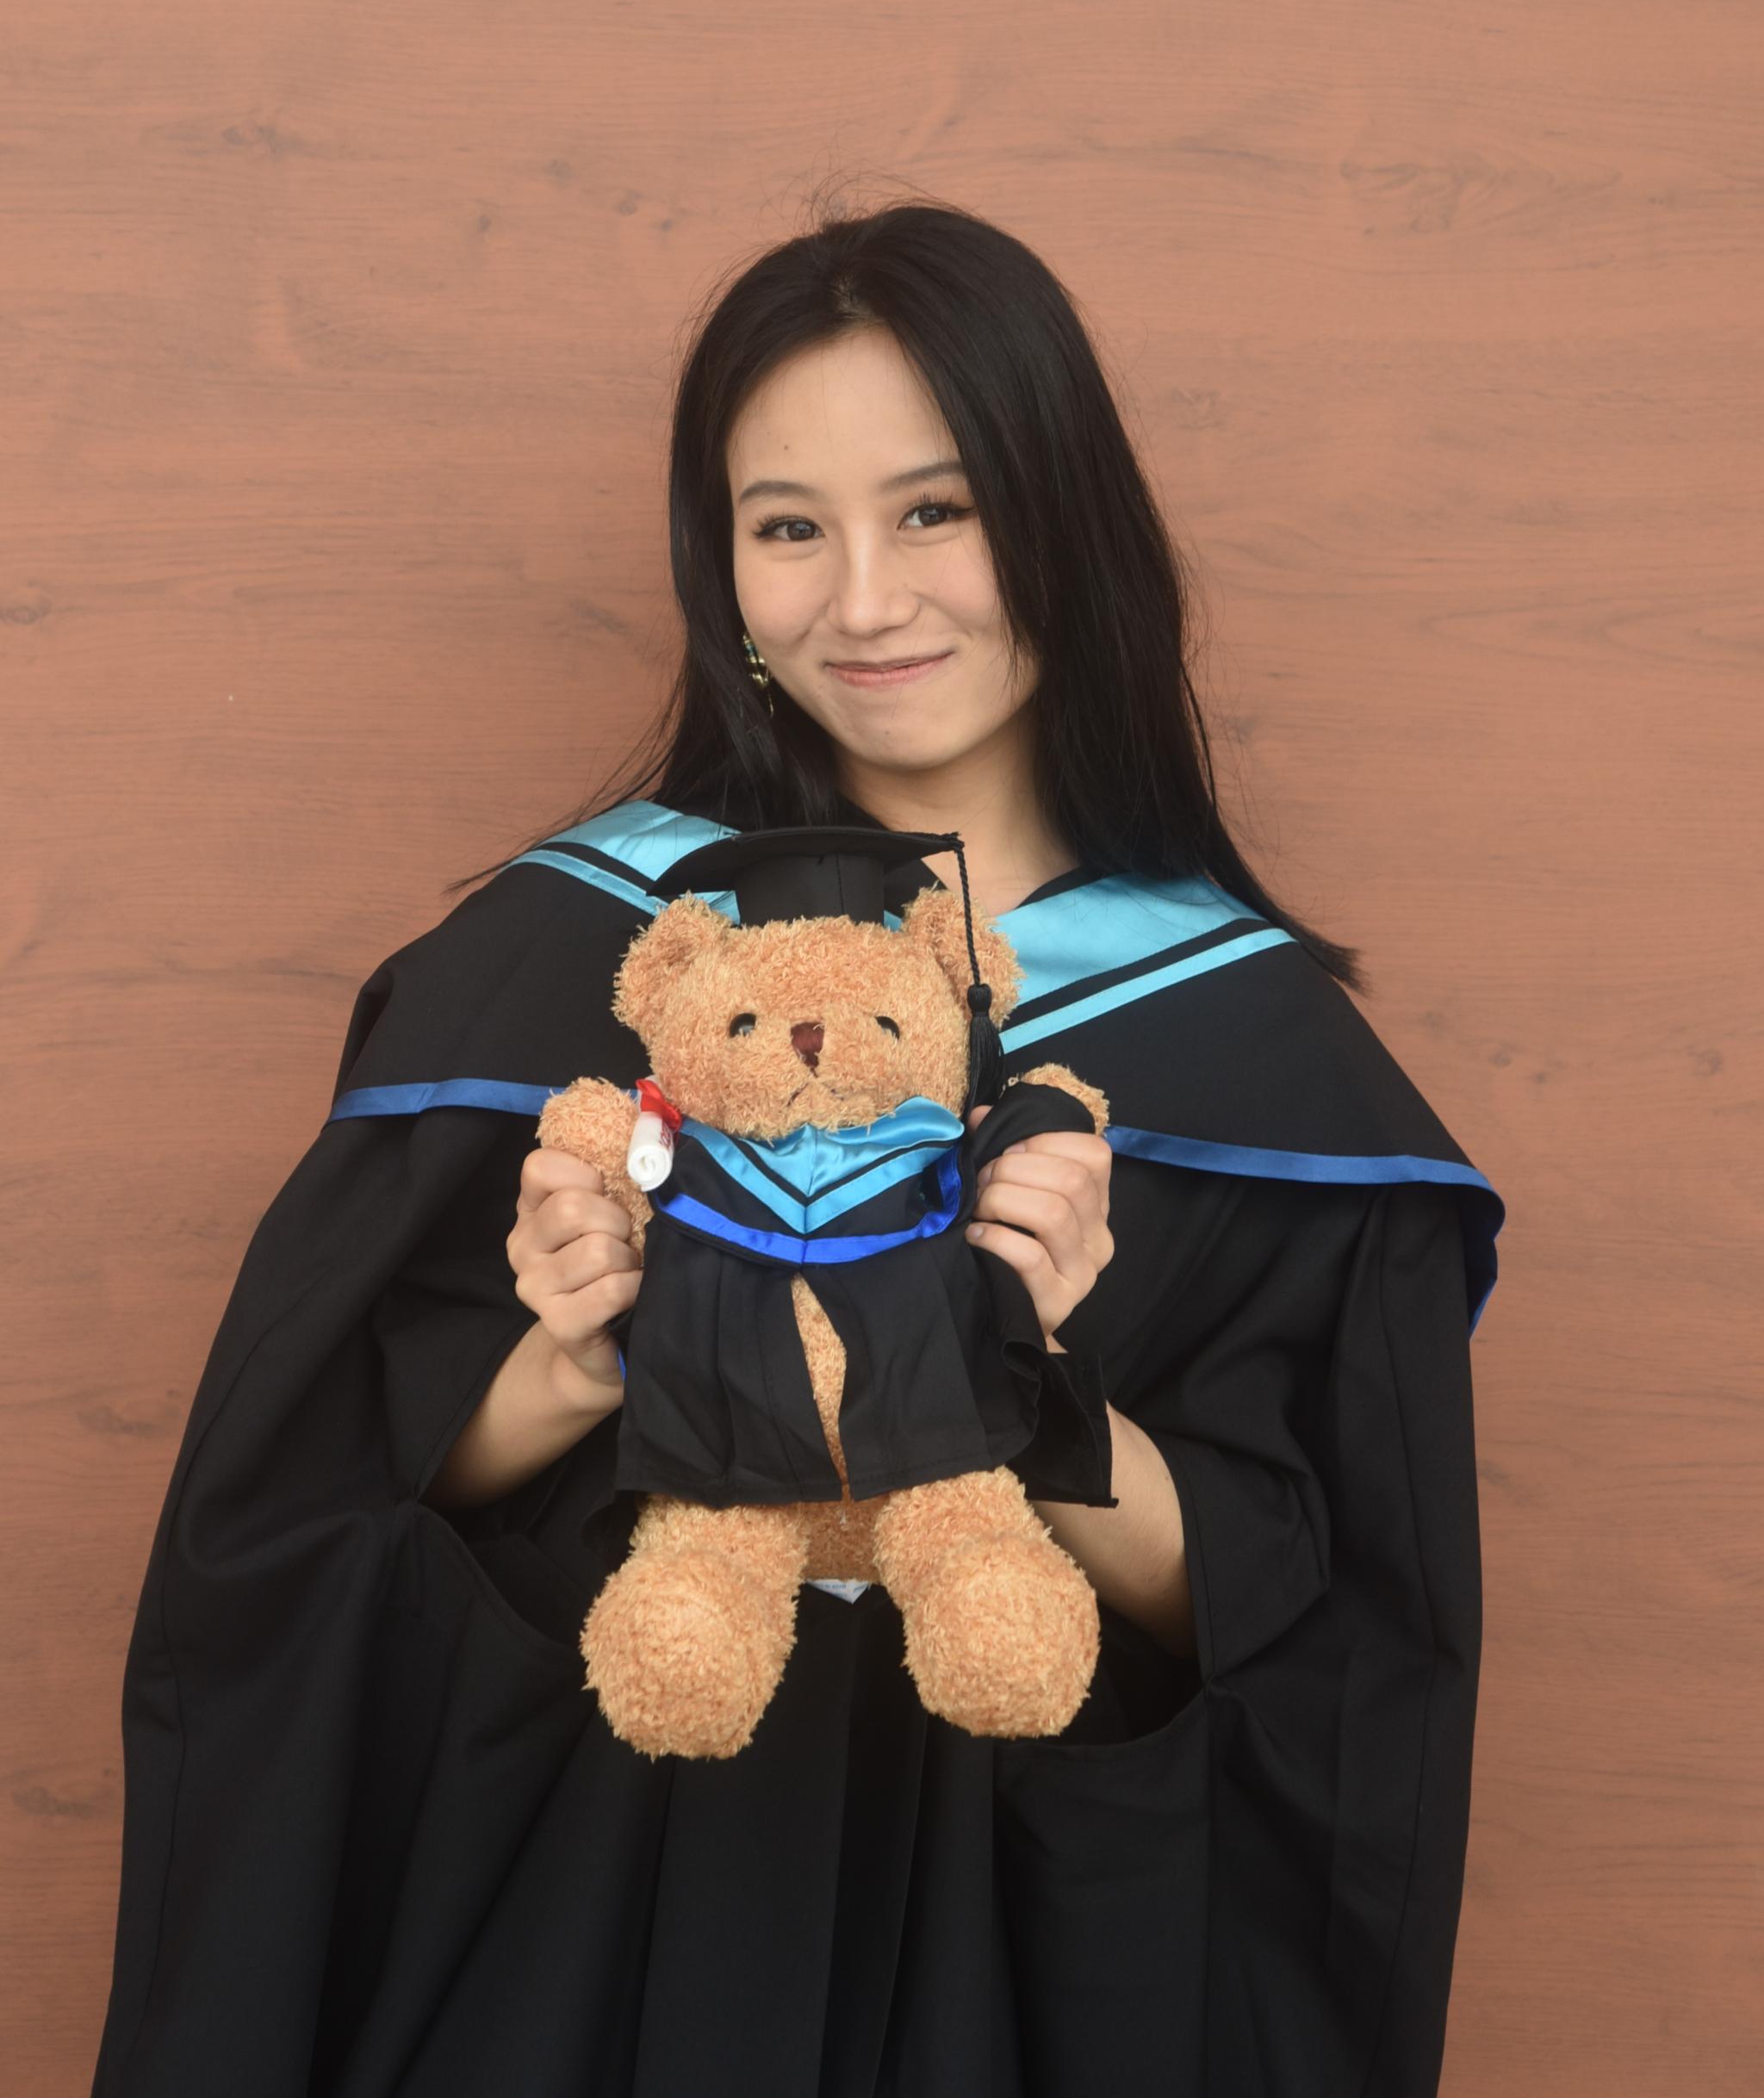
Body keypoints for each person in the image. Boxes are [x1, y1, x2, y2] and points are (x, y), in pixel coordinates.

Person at [90, 198, 1500, 2097]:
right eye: (787, 529)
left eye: (936, 509)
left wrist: (1023, 1392)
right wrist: (578, 1361)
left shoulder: (1257, 1056)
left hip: (1016, 1953)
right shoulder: (562, 964)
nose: (864, 603)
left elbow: (1322, 1642)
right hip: (590, 1915)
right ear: (721, 569)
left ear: (1066, 522)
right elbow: (306, 1505)